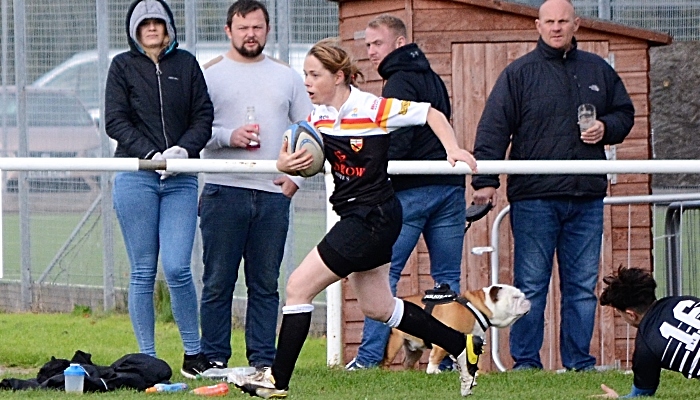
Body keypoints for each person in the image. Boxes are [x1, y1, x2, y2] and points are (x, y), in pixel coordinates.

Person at [231, 38, 479, 399]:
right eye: (305, 74)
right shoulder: (318, 118)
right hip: (361, 217)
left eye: (315, 75)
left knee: (298, 287)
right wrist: (288, 170)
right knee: (378, 307)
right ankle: (460, 345)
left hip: (372, 219)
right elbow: (303, 159)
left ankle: (276, 381)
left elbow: (431, 114)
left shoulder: (374, 109)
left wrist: (452, 149)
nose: (308, 82)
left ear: (340, 76)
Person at [471, 0, 635, 371]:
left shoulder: (598, 70)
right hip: (535, 198)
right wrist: (485, 181)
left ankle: (579, 363)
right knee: (530, 286)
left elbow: (625, 113)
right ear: (537, 25)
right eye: (550, 22)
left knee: (581, 288)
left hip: (587, 197)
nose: (556, 28)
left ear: (576, 24)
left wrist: (607, 128)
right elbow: (494, 128)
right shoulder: (519, 74)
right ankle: (526, 364)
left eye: (563, 21)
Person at [198, 0, 313, 372]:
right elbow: (196, 133)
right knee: (218, 281)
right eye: (244, 27)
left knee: (265, 284)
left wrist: (295, 180)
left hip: (272, 195)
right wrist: (228, 136)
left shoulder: (287, 76)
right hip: (222, 189)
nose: (251, 34)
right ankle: (214, 357)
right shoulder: (209, 74)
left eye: (258, 27)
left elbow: (311, 131)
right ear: (228, 31)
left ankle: (263, 360)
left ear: (267, 30)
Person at [346, 14, 465, 371]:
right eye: (367, 45)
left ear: (399, 44)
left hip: (412, 190)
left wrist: (371, 176)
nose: (370, 52)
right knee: (446, 280)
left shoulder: (397, 80)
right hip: (449, 186)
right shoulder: (432, 78)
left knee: (383, 274)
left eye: (377, 44)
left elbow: (399, 139)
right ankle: (448, 361)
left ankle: (368, 360)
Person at [104, 0, 214, 379]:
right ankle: (146, 359)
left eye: (158, 22)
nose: (152, 28)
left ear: (168, 27)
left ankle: (193, 354)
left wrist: (183, 151)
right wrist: (151, 155)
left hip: (180, 180)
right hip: (137, 176)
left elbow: (204, 115)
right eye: (144, 23)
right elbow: (115, 121)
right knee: (143, 271)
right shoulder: (121, 66)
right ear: (134, 29)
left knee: (179, 267)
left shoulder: (187, 65)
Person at [595, 266, 700, 398]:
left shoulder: (646, 347)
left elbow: (640, 396)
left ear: (631, 314)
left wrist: (616, 398)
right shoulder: (686, 301)